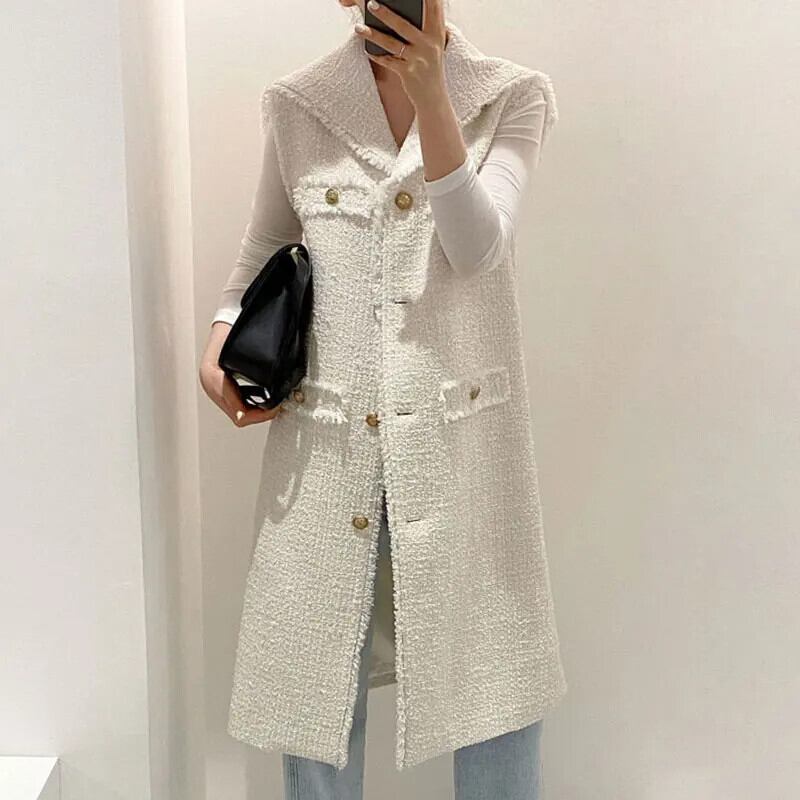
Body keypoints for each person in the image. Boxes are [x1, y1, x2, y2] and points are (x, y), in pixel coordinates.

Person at [199, 1, 567, 797]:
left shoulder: (510, 95)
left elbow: (477, 248)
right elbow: (264, 250)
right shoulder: (299, 104)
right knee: (316, 697)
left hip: (464, 453)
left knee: (494, 686)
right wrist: (219, 341)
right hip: (328, 451)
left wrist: (433, 95)